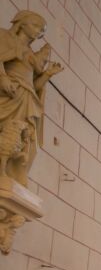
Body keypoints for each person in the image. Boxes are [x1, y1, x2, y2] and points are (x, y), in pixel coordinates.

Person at [0, 10, 63, 187]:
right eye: (36, 26)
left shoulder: (29, 54)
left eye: (42, 30)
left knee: (28, 144)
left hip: (27, 99)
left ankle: (11, 176)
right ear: (21, 22)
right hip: (8, 94)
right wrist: (3, 77)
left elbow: (34, 86)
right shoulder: (4, 37)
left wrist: (48, 74)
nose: (39, 32)